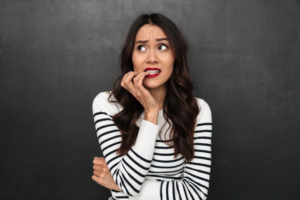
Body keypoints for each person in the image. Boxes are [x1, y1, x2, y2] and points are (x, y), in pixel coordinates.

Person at [91, 13, 212, 200]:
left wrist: (117, 184)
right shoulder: (107, 105)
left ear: (175, 56)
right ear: (131, 56)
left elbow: (195, 193)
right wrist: (151, 113)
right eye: (141, 48)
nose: (152, 58)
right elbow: (128, 184)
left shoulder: (197, 110)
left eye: (162, 47)